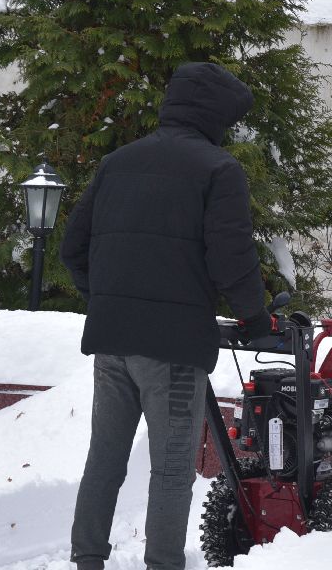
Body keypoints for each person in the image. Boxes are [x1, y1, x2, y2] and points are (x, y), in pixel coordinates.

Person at [60, 61, 272, 570]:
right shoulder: (218, 169)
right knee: (173, 469)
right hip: (174, 350)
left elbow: (73, 248)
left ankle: (86, 559)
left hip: (111, 342)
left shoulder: (117, 162)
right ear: (215, 115)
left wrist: (109, 299)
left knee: (104, 462)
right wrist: (255, 318)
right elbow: (231, 258)